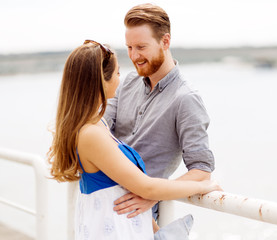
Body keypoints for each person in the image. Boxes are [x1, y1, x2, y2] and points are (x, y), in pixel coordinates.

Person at [47, 40, 221, 239]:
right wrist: (203, 185)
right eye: (117, 73)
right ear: (101, 81)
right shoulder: (90, 134)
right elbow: (145, 187)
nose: (120, 79)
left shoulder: (98, 125)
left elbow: (121, 188)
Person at [104, 3, 215, 220]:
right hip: (101, 205)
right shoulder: (126, 83)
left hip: (138, 217)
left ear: (165, 41)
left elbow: (202, 171)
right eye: (129, 47)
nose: (134, 56)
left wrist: (154, 194)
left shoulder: (186, 99)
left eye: (141, 47)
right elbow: (100, 130)